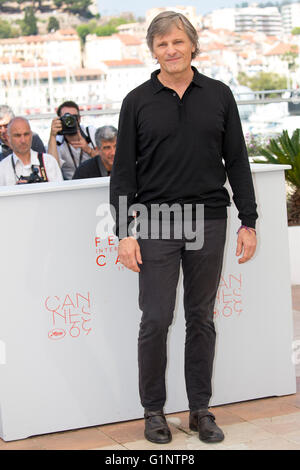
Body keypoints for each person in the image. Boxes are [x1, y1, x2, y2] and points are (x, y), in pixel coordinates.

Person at [110, 11, 258, 445]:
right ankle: (153, 412)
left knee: (201, 319)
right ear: (152, 51)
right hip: (155, 221)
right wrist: (123, 232)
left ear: (192, 45)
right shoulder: (137, 101)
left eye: (177, 42)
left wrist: (248, 220)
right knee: (155, 319)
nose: (170, 50)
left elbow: (238, 162)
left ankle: (200, 411)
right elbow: (123, 174)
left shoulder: (219, 95)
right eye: (161, 44)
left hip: (210, 219)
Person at [0, 117, 63, 186]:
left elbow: (59, 193)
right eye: (17, 135)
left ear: (31, 135)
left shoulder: (48, 161)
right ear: (8, 138)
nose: (23, 140)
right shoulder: (3, 167)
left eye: (26, 134)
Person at [48, 100, 98, 180]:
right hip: (70, 185)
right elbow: (52, 169)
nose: (70, 121)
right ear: (59, 120)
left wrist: (89, 150)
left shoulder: (90, 133)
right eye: (66, 118)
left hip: (93, 181)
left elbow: (108, 160)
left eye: (74, 117)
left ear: (79, 119)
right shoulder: (57, 141)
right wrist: (53, 135)